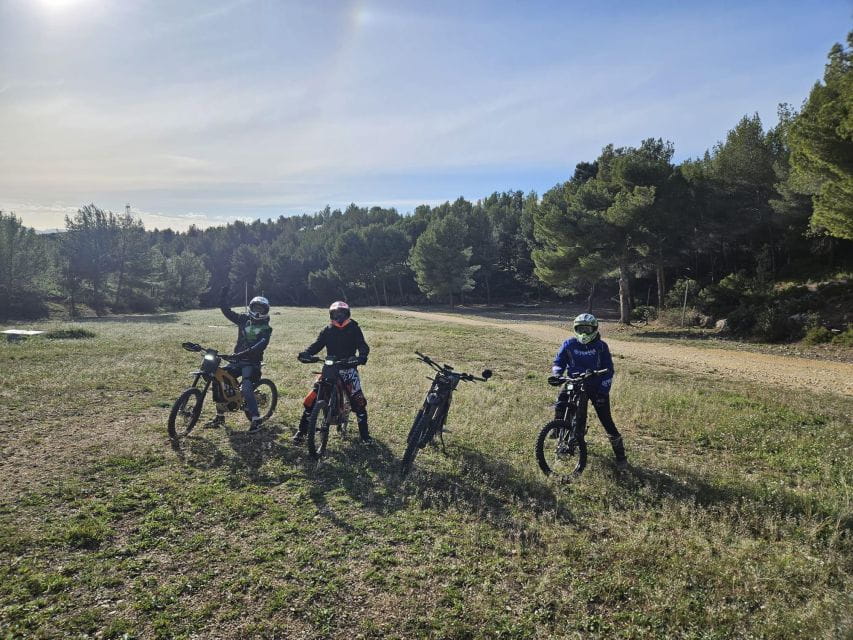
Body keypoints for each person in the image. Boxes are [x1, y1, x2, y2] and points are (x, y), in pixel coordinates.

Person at [550, 313, 627, 469]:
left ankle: (620, 456)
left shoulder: (601, 347)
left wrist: (603, 392)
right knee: (561, 403)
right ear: (575, 329)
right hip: (574, 382)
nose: (584, 333)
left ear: (594, 329)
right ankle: (560, 431)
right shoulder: (569, 344)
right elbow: (559, 361)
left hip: (596, 386)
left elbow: (609, 370)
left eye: (587, 329)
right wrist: (557, 375)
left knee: (606, 420)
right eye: (580, 329)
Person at [293, 301, 372, 444]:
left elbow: (362, 346)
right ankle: (302, 431)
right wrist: (306, 353)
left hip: (348, 369)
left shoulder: (354, 328)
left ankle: (365, 436)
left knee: (358, 402)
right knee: (311, 399)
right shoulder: (327, 330)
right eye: (335, 314)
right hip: (329, 369)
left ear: (347, 314)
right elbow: (316, 345)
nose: (339, 317)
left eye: (341, 313)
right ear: (331, 315)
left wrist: (361, 357)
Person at [212, 284, 273, 432]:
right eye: (255, 308)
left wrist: (243, 354)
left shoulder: (266, 328)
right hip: (236, 361)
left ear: (265, 311)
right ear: (251, 308)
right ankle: (220, 415)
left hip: (252, 364)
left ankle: (256, 419)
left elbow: (260, 345)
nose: (257, 312)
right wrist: (223, 297)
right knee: (217, 378)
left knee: (246, 388)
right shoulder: (243, 319)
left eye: (261, 309)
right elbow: (226, 311)